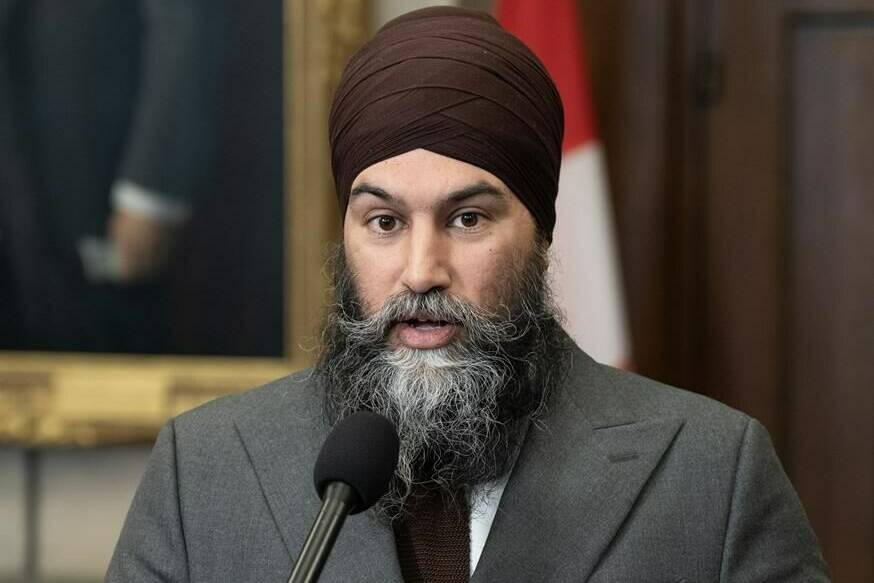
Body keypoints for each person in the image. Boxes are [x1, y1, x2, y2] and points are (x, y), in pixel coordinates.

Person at [106, 7, 829, 582]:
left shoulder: (713, 474)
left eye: (468, 218)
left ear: (540, 233)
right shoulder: (201, 471)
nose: (422, 270)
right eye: (384, 221)